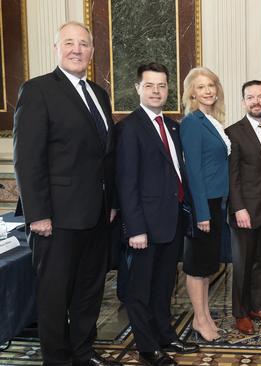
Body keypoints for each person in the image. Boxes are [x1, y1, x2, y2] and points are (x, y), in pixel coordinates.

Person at [13, 21, 121, 366]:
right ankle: (57, 359)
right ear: (56, 49)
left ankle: (83, 352)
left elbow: (106, 157)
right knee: (54, 295)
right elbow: (27, 158)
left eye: (84, 44)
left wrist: (113, 203)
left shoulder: (100, 94)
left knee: (89, 291)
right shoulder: (37, 90)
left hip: (96, 215)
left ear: (92, 51)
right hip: (56, 217)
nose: (77, 49)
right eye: (70, 43)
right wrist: (38, 214)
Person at [116, 63, 198, 366]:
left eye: (162, 86)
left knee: (164, 285)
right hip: (144, 227)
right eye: (149, 85)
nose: (156, 91)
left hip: (171, 221)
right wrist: (134, 228)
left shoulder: (172, 126)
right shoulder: (129, 128)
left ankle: (165, 334)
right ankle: (148, 349)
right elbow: (126, 183)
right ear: (138, 88)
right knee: (140, 290)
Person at [225, 80, 261, 335]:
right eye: (251, 97)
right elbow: (232, 175)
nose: (256, 101)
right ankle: (240, 312)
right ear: (243, 102)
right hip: (245, 211)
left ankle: (258, 306)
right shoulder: (233, 133)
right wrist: (238, 208)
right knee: (243, 263)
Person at [179, 67, 229, 342]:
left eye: (211, 85)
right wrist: (201, 213)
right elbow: (193, 172)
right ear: (191, 93)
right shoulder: (192, 123)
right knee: (197, 266)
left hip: (215, 202)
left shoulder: (212, 120)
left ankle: (206, 315)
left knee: (207, 264)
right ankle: (199, 320)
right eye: (201, 87)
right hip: (203, 205)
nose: (208, 90)